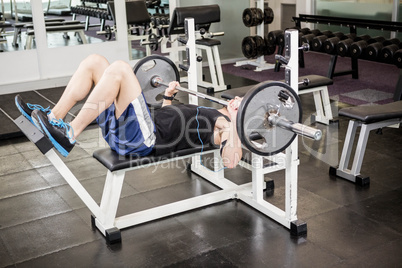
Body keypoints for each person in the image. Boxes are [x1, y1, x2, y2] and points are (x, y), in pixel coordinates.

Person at [15, 54, 243, 168]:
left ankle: (70, 134)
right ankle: (54, 118)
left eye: (241, 103)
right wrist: (168, 98)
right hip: (134, 130)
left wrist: (233, 120)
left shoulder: (223, 124)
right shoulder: (206, 111)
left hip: (144, 140)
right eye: (238, 98)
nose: (236, 100)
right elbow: (170, 123)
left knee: (121, 69)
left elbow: (230, 161)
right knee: (96, 62)